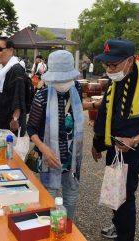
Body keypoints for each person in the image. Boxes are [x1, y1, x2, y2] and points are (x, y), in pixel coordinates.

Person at [91, 39, 139, 241]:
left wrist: (133, 140)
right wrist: (98, 142)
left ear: (130, 61)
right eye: (106, 64)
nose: (108, 69)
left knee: (124, 197)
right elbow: (108, 110)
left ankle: (125, 236)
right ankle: (118, 225)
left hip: (131, 150)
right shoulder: (115, 79)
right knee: (113, 192)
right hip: (112, 146)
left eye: (113, 64)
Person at [27, 50, 84, 220]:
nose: (63, 82)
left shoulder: (77, 89)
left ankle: (68, 229)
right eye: (59, 78)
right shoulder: (42, 96)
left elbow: (77, 115)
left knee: (71, 197)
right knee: (49, 197)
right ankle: (49, 230)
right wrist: (43, 148)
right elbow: (31, 128)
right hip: (50, 156)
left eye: (66, 78)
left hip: (72, 156)